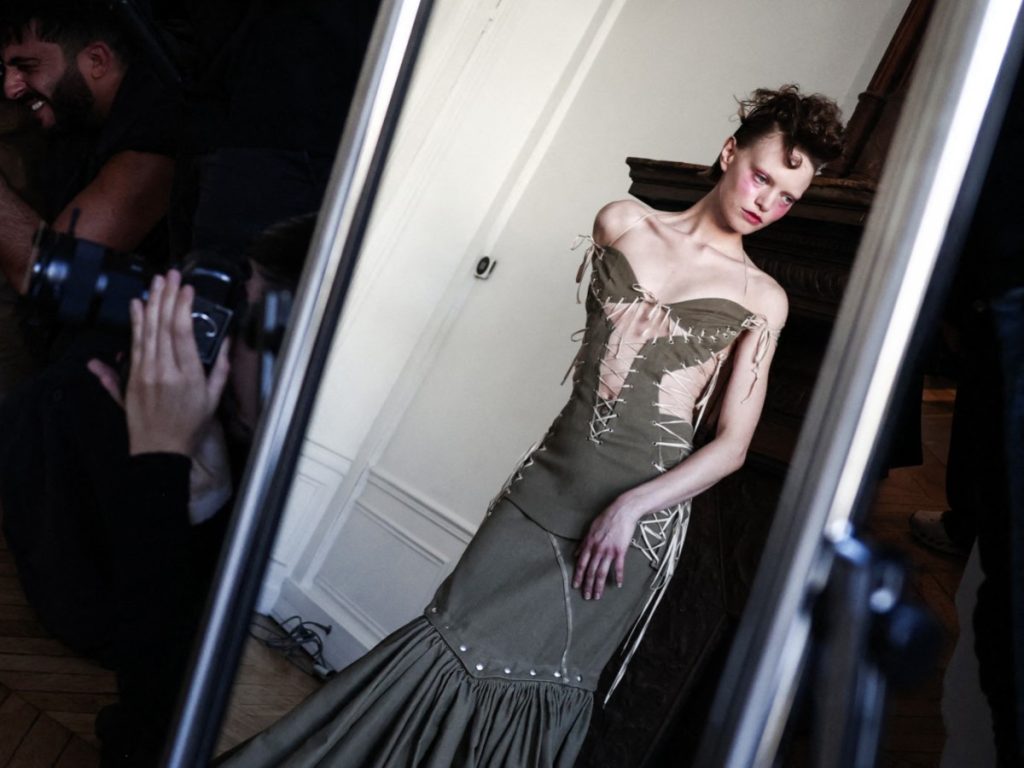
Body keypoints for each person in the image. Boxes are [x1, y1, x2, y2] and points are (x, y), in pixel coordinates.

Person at [216, 84, 844, 768]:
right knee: (446, 642)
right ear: (729, 153)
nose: (767, 203)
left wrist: (633, 507)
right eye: (762, 177)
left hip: (635, 527)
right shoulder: (623, 223)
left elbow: (732, 446)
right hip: (547, 484)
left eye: (788, 197)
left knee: (542, 696)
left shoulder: (762, 298)